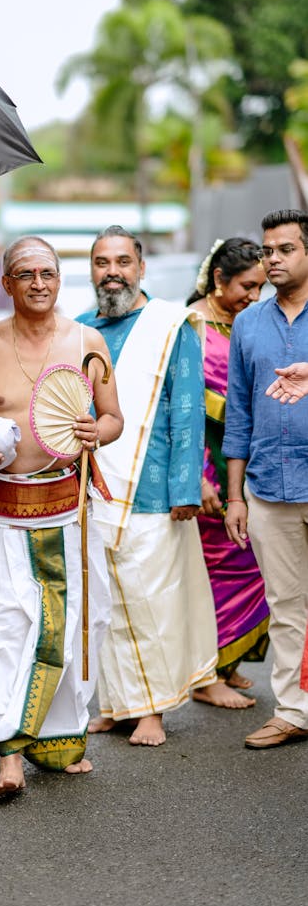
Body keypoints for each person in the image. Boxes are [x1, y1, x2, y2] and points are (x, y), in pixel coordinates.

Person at [0, 235, 123, 798]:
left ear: (60, 279)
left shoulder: (87, 341)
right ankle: (9, 756)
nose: (38, 282)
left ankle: (58, 738)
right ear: (6, 283)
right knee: (1, 629)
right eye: (24, 273)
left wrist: (94, 432)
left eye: (47, 272)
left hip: (67, 508)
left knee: (76, 623)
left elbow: (113, 418)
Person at [77, 226, 218, 747]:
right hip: (94, 486)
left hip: (155, 485)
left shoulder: (170, 326)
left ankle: (153, 711)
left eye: (122, 261)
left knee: (152, 599)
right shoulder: (79, 329)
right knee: (106, 601)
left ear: (140, 268)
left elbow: (189, 408)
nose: (111, 271)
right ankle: (117, 704)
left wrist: (187, 486)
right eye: (100, 262)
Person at [224, 209, 308, 749]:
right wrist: (235, 495)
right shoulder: (249, 323)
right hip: (268, 488)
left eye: (285, 249)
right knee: (287, 604)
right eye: (267, 250)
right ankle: (294, 711)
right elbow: (238, 411)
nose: (272, 259)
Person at [186, 238, 269, 709]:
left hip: (250, 464)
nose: (254, 296)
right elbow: (185, 411)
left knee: (254, 564)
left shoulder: (247, 322)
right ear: (218, 279)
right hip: (210, 467)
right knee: (220, 568)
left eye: (260, 287)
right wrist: (199, 477)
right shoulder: (192, 327)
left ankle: (230, 660)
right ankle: (206, 673)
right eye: (246, 286)